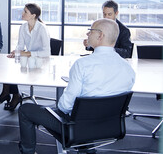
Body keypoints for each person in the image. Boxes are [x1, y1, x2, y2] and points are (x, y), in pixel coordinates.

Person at [18, 18, 136, 154]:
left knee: (26, 109)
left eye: (90, 31)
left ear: (100, 36)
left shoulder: (83, 65)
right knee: (83, 114)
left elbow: (64, 106)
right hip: (110, 127)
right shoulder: (128, 69)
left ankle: (28, 151)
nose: (87, 34)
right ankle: (87, 149)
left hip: (78, 129)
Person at [0, 3, 50, 111]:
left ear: (33, 15)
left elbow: (46, 52)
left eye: (25, 12)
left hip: (41, 62)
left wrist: (27, 53)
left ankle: (9, 94)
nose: (22, 13)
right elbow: (20, 45)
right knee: (9, 67)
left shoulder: (42, 28)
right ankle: (12, 93)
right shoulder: (23, 27)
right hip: (29, 60)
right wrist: (16, 52)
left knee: (15, 69)